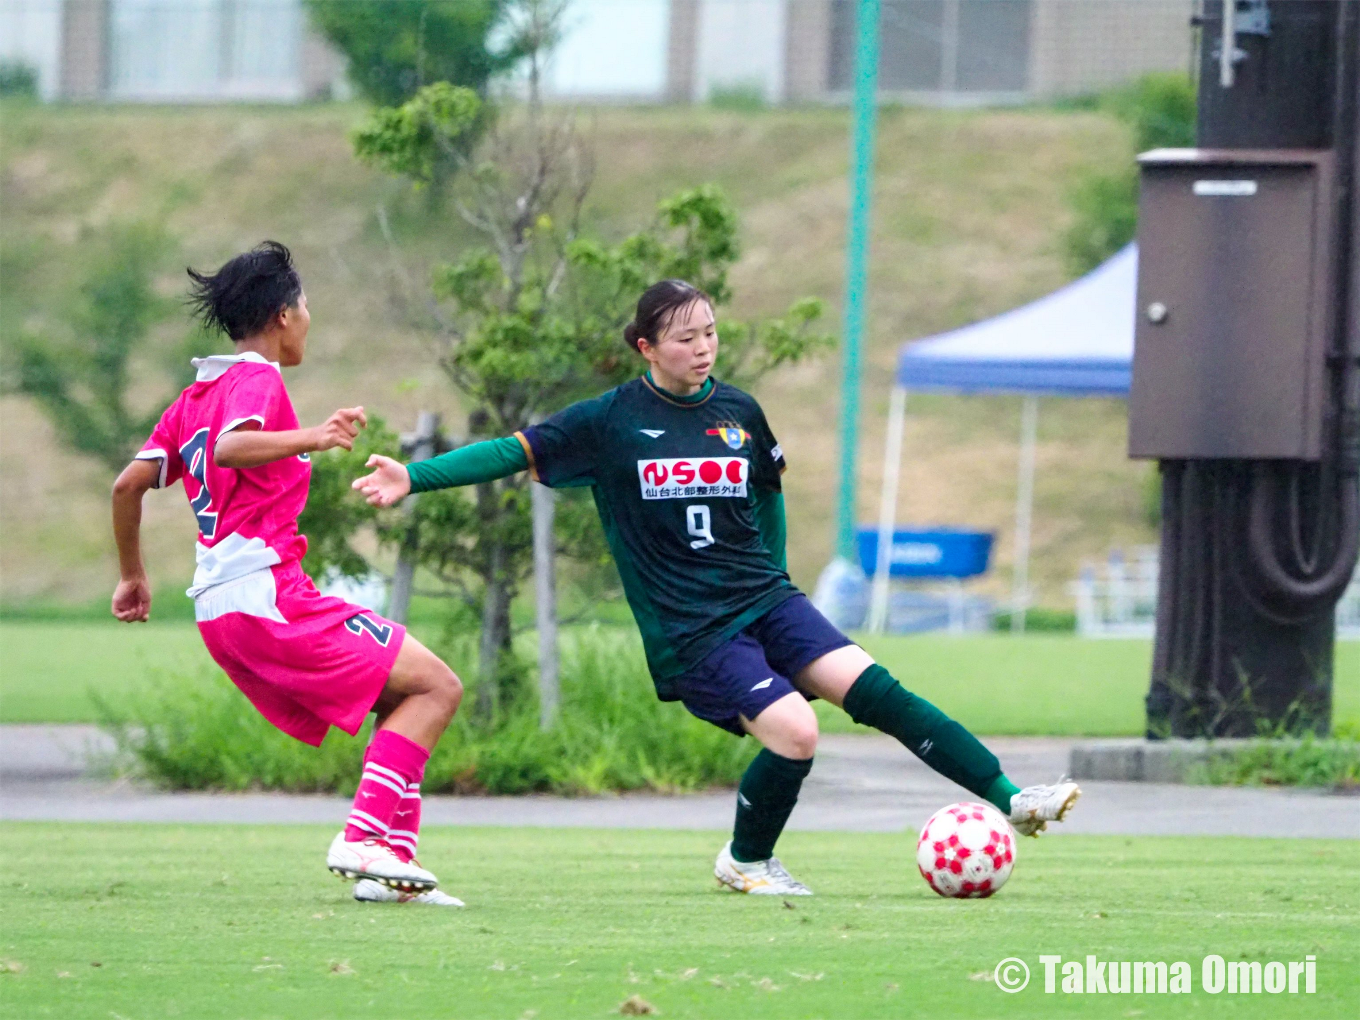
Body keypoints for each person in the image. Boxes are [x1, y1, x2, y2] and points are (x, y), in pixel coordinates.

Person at [353, 278, 1080, 896]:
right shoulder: (610, 421)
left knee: (879, 693)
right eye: (685, 338)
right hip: (694, 630)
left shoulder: (738, 412)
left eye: (710, 333)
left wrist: (777, 576)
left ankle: (1014, 800)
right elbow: (510, 452)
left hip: (766, 598)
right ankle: (746, 861)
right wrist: (413, 476)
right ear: (646, 347)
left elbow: (768, 495)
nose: (703, 348)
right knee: (797, 733)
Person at [110, 242, 464, 907]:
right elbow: (230, 448)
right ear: (282, 314)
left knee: (404, 695)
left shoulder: (193, 398)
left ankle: (390, 868)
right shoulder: (256, 379)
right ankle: (363, 840)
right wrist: (316, 436)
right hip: (264, 595)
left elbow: (126, 487)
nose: (307, 319)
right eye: (304, 306)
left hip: (225, 607)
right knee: (438, 686)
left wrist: (133, 576)